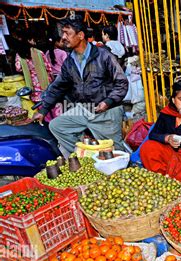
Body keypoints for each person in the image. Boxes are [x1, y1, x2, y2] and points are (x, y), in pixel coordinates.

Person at [33, 15, 129, 156]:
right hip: (84, 109)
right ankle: (89, 157)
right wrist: (44, 109)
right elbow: (58, 87)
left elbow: (122, 82)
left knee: (116, 152)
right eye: (63, 33)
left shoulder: (104, 56)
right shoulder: (69, 62)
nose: (64, 37)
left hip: (107, 111)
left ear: (80, 35)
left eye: (68, 33)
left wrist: (108, 101)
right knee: (57, 126)